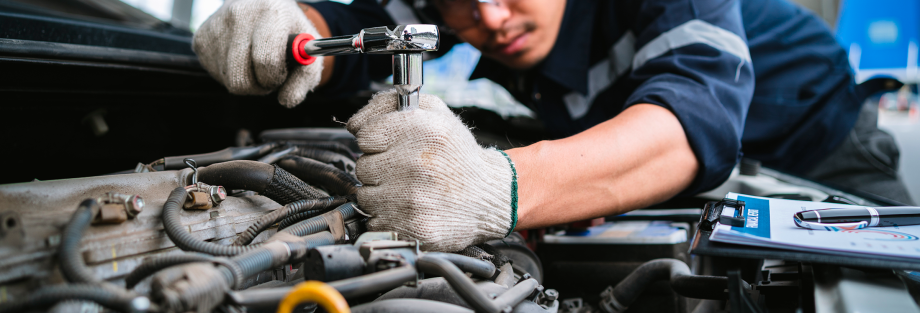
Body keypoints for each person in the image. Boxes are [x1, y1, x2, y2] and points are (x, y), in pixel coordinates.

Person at [193, 0, 914, 252]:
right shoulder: (456, 7)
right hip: (655, 167)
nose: (492, 17)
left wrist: (496, 187)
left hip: (817, 145)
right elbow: (355, 30)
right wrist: (290, 31)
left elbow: (696, 114)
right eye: (461, 5)